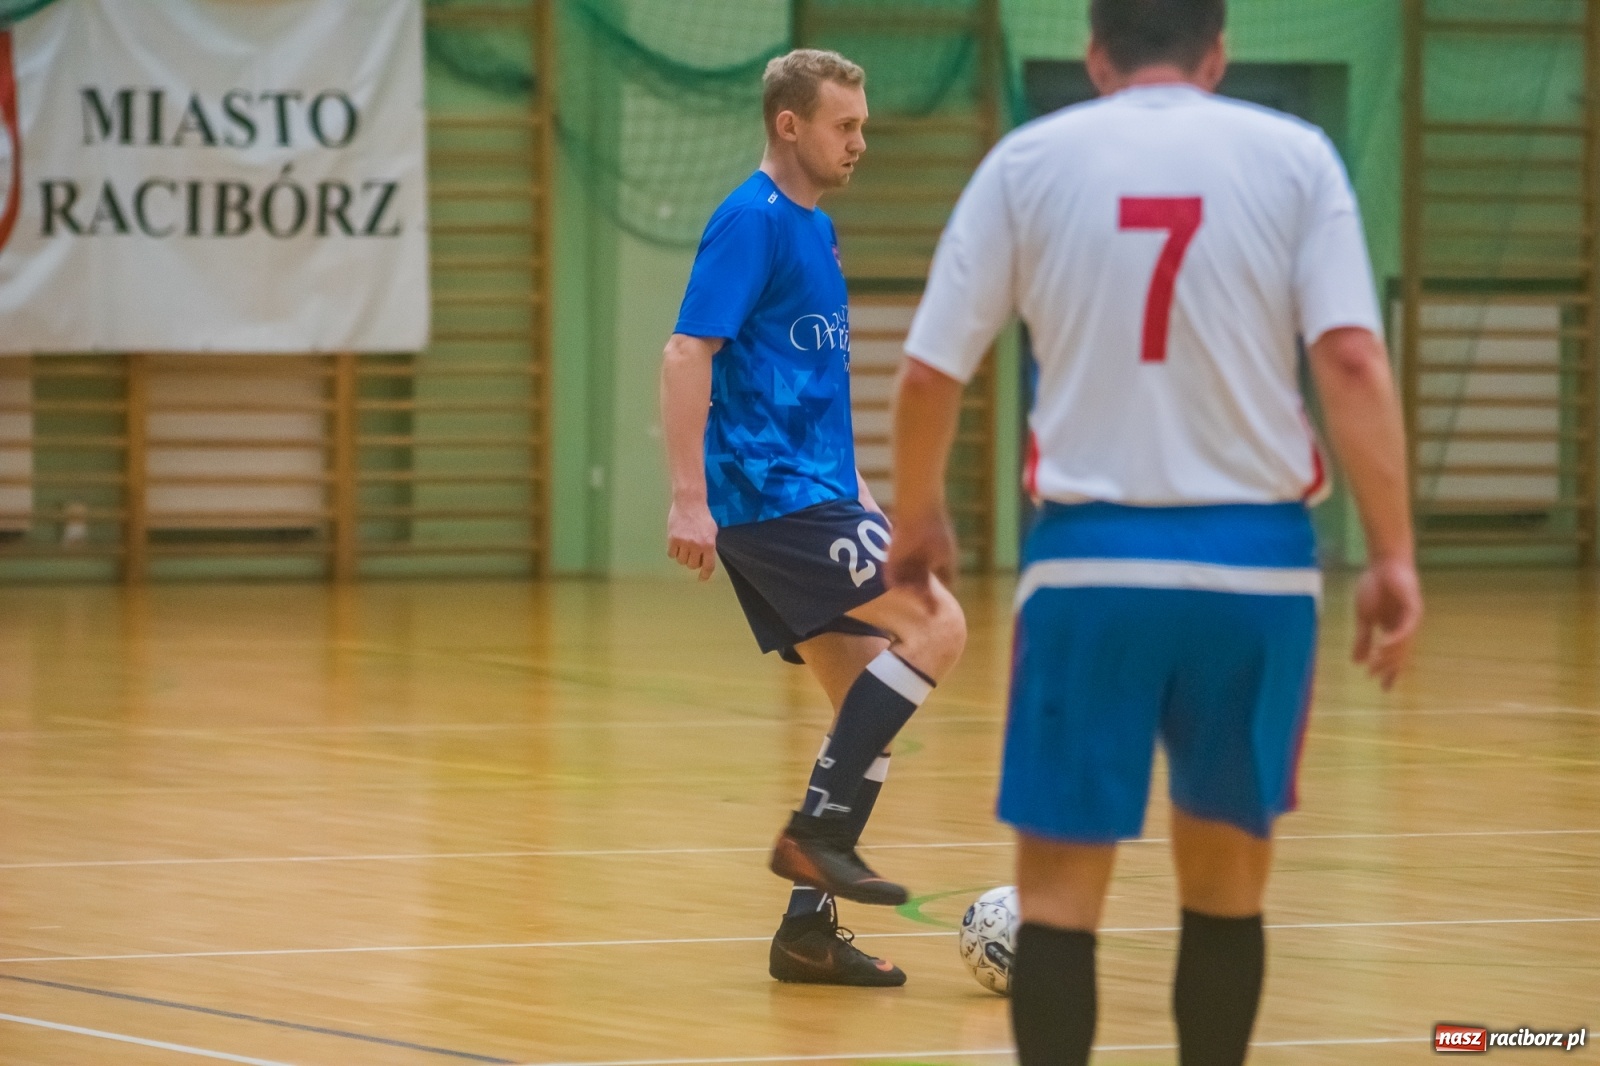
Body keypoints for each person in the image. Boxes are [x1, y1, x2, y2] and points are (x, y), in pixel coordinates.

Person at [886, 0, 1423, 1062]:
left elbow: (926, 371)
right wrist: (1393, 548)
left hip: (1090, 567)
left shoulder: (1027, 162)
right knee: (1225, 886)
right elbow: (1353, 360)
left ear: (1094, 53)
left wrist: (918, 512)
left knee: (1055, 896)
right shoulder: (1295, 158)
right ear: (1216, 51)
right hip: (1257, 571)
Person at [658, 48, 968, 988]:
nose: (860, 141)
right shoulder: (749, 222)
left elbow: (811, 387)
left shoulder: (814, 229)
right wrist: (689, 498)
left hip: (818, 492)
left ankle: (805, 931)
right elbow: (685, 353)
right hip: (771, 497)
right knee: (938, 624)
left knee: (860, 704)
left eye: (863, 125)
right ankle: (816, 835)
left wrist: (864, 491)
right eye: (845, 125)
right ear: (790, 124)